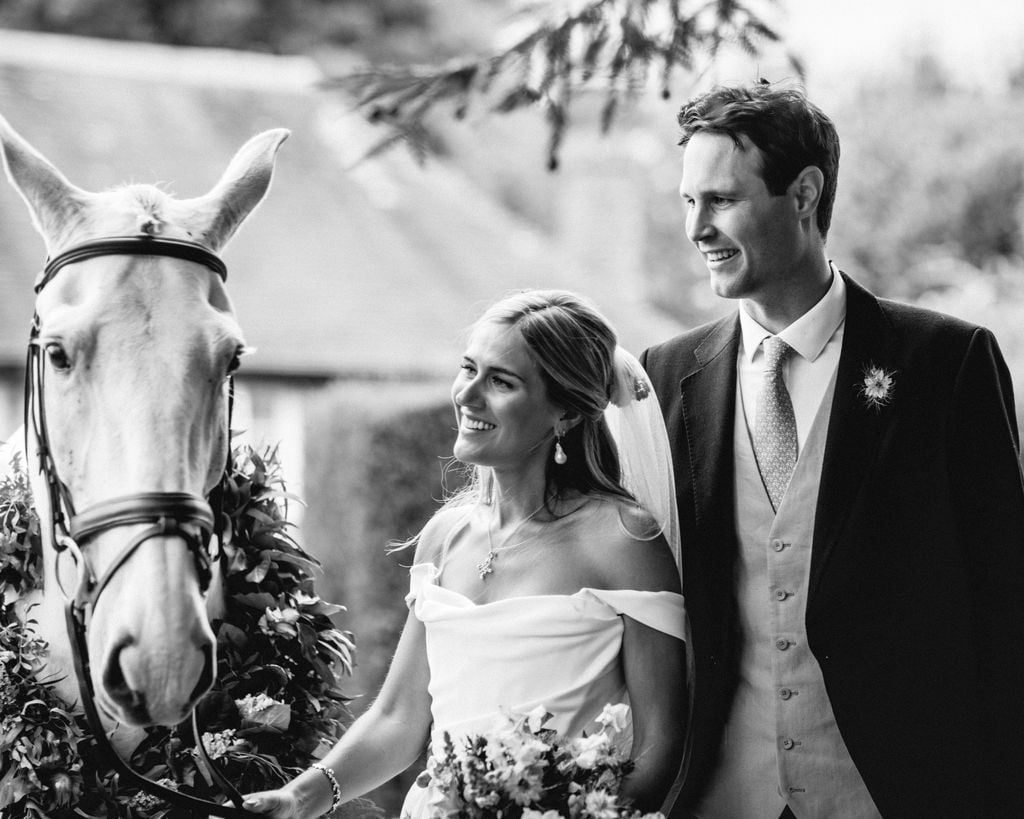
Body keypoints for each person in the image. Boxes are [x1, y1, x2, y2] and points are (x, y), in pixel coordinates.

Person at [640, 80, 1024, 818]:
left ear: (806, 194)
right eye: (688, 202)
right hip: (724, 793)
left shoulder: (945, 362)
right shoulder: (666, 377)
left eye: (720, 200)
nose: (697, 228)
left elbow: (1005, 600)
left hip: (903, 789)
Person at [244, 290, 689, 818]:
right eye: (468, 369)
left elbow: (660, 747)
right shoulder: (444, 536)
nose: (468, 396)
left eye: (501, 381)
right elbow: (399, 718)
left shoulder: (622, 539)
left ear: (565, 413)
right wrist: (298, 798)